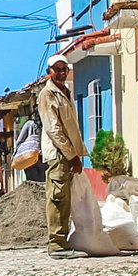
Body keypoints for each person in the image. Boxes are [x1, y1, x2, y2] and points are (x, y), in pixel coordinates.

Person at [35, 54, 87, 254]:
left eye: (64, 69)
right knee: (57, 198)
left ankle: (63, 240)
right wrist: (71, 155)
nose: (61, 73)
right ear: (49, 71)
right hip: (59, 154)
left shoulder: (65, 91)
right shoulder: (47, 95)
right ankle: (56, 243)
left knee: (65, 198)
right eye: (57, 69)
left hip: (68, 153)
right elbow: (54, 129)